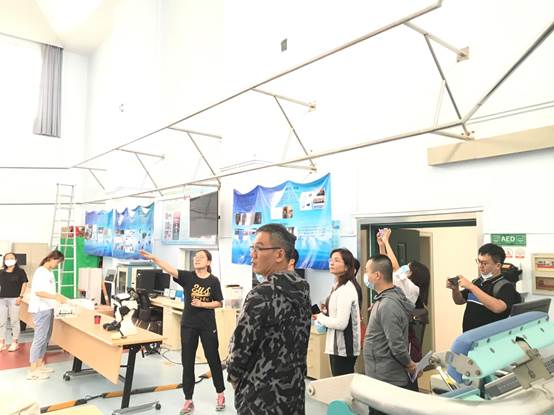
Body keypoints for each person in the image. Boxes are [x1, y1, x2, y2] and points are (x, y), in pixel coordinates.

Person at [227, 224, 311, 415]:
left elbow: (241, 347)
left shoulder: (261, 294)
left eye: (259, 248)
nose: (253, 254)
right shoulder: (303, 290)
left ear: (279, 254)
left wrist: (234, 377)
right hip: (293, 394)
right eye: (252, 248)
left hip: (260, 398)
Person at [140, 249, 225, 414]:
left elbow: (219, 302)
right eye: (195, 257)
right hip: (188, 325)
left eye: (201, 257)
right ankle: (188, 399)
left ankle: (220, 393)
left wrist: (203, 304)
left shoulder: (214, 281)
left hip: (207, 325)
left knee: (213, 359)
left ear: (208, 262)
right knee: (187, 362)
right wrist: (155, 258)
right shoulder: (188, 277)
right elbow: (170, 269)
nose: (197, 259)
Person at [363, 255, 417, 414]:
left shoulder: (388, 304)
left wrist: (410, 365)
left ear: (377, 275)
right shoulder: (387, 299)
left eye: (367, 272)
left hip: (386, 379)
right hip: (381, 375)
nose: (365, 276)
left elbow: (396, 343)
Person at [448, 243, 521, 332]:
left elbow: (498, 308)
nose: (480, 266)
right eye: (479, 261)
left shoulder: (506, 286)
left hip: (490, 337)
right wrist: (455, 289)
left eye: (484, 263)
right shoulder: (477, 282)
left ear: (498, 265)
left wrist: (472, 287)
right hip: (470, 334)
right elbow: (459, 301)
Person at [315, 248, 361, 376]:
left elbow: (341, 323)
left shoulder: (346, 289)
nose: (331, 263)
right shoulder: (337, 286)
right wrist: (325, 313)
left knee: (342, 383)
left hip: (344, 348)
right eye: (330, 260)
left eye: (336, 260)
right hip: (336, 346)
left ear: (346, 267)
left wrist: (320, 317)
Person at [28, 250, 67, 380]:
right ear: (51, 258)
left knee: (46, 337)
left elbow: (50, 291)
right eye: (57, 262)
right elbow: (38, 292)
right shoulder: (40, 272)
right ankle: (33, 369)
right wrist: (55, 297)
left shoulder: (49, 272)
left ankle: (40, 364)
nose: (57, 265)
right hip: (41, 309)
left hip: (48, 308)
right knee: (40, 338)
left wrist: (58, 297)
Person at [0, 253, 28, 352]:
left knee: (14, 321)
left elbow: (24, 284)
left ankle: (14, 342)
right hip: (2, 299)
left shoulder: (20, 271)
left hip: (15, 299)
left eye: (11, 258)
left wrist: (21, 296)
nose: (9, 260)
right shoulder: (1, 272)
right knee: (1, 321)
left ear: (15, 260)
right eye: (7, 258)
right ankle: (2, 343)